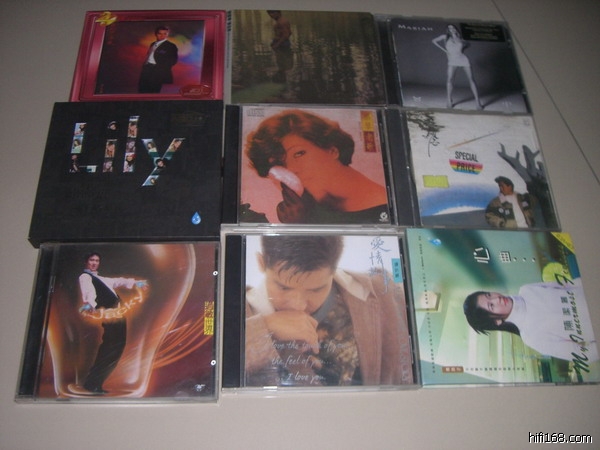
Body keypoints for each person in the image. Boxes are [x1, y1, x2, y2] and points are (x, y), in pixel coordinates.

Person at [244, 235, 412, 387]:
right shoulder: (238, 315)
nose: (299, 305)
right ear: (261, 262)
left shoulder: (384, 292)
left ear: (334, 268)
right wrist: (263, 328)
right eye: (283, 288)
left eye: (316, 290)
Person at [245, 109, 390, 224]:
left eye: (299, 153)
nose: (292, 169)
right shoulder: (302, 209)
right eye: (280, 165)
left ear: (332, 150)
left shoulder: (385, 207)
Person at [463, 279, 598, 363]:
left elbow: (569, 284)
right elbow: (583, 355)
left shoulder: (527, 289)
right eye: (491, 305)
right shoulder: (531, 337)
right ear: (496, 322)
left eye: (489, 295)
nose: (496, 298)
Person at [78, 252, 148, 394]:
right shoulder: (85, 277)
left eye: (97, 260)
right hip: (110, 315)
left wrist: (135, 283)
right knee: (111, 346)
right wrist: (89, 304)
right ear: (86, 262)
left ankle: (94, 383)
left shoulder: (102, 279)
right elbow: (89, 291)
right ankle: (93, 384)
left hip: (117, 315)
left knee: (115, 346)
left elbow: (118, 281)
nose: (94, 263)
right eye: (92, 260)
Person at [432, 24, 482, 109]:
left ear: (455, 29)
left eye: (453, 27)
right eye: (449, 28)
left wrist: (462, 49)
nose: (452, 29)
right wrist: (445, 51)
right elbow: (434, 41)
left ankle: (478, 102)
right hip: (452, 60)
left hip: (463, 59)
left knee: (471, 79)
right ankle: (449, 100)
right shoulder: (445, 37)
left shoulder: (460, 38)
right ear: (448, 30)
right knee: (450, 79)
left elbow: (468, 44)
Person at [138, 25, 178, 93]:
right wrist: (145, 65)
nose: (162, 36)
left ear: (167, 34)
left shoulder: (171, 46)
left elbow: (173, 60)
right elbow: (149, 56)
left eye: (165, 34)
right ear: (156, 34)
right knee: (142, 90)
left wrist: (160, 69)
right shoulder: (152, 44)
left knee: (154, 91)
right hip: (147, 69)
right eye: (160, 33)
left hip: (158, 72)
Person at [267, 10, 293, 83]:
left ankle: (281, 79)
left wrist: (277, 44)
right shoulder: (283, 20)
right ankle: (281, 78)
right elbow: (289, 32)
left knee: (281, 62)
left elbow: (286, 34)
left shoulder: (281, 22)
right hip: (283, 43)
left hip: (282, 44)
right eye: (269, 13)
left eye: (272, 13)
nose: (271, 15)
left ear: (278, 12)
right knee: (281, 62)